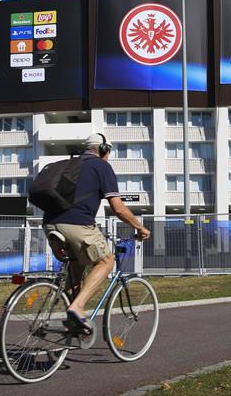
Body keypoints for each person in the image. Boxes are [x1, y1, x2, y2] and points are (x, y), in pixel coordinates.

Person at [42, 133, 150, 333]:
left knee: (76, 267)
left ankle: (73, 320)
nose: (108, 155)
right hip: (77, 225)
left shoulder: (70, 164)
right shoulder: (101, 166)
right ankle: (77, 307)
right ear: (103, 150)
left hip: (49, 224)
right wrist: (140, 227)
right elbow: (118, 208)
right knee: (106, 261)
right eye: (108, 151)